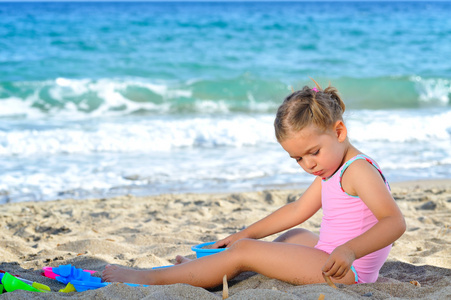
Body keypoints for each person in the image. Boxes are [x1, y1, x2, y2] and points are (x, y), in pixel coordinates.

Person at [102, 81, 406, 287]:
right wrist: (242, 234)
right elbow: (299, 209)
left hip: (345, 270)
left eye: (313, 152)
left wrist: (349, 251)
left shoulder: (358, 170)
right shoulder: (332, 168)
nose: (309, 164)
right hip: (332, 254)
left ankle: (153, 279)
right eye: (298, 159)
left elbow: (394, 222)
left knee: (247, 251)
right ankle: (212, 268)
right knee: (293, 235)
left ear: (339, 132)